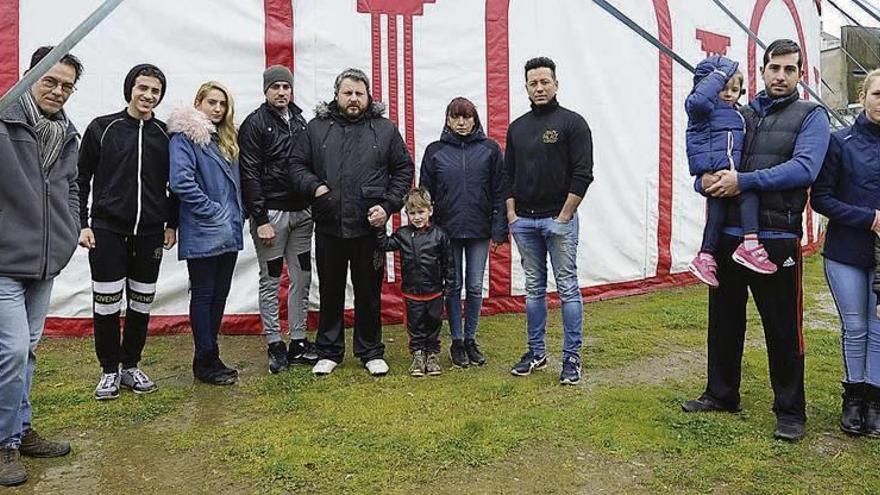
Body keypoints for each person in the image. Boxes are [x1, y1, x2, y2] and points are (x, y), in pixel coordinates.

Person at [682, 39, 831, 442]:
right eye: (774, 68)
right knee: (724, 322)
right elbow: (715, 156)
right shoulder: (738, 112)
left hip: (777, 237)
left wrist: (743, 181)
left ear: (801, 74)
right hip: (730, 236)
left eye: (790, 69)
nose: (780, 76)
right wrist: (704, 181)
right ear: (762, 70)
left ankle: (789, 410)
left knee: (783, 328)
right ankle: (721, 393)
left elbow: (804, 169)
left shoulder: (811, 116)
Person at [289, 68, 414, 376]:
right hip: (329, 225)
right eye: (348, 93)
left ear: (368, 96)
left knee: (369, 291)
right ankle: (329, 351)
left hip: (369, 228)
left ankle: (371, 351)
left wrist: (387, 206)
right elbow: (295, 165)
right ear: (337, 95)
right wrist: (316, 188)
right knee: (330, 290)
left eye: (359, 93)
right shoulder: (317, 128)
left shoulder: (384, 129)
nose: (354, 99)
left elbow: (403, 169)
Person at [0, 46, 81, 486]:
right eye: (50, 80)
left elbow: (70, 187)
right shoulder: (4, 122)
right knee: (11, 351)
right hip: (4, 262)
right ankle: (5, 443)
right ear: (30, 76)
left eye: (67, 85)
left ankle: (22, 429)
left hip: (45, 261)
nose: (58, 90)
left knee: (27, 351)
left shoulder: (67, 133)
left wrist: (68, 232)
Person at [77, 64, 178, 400]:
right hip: (106, 230)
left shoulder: (166, 134)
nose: (148, 95)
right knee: (106, 304)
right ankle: (109, 370)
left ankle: (131, 365)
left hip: (150, 233)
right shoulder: (102, 128)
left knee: (141, 303)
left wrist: (172, 223)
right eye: (143, 88)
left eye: (155, 91)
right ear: (130, 89)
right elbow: (80, 180)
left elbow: (176, 184)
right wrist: (82, 224)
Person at [504, 57, 594, 385]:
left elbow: (583, 174)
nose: (539, 88)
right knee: (533, 290)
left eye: (545, 82)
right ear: (526, 86)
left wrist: (565, 215)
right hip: (525, 224)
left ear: (556, 83)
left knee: (568, 288)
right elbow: (507, 175)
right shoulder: (517, 127)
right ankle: (536, 353)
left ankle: (571, 358)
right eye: (533, 83)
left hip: (559, 222)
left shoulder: (573, 123)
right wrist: (512, 215)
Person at [812, 68, 880, 437]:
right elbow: (821, 198)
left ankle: (874, 400)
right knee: (855, 327)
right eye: (878, 94)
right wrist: (868, 218)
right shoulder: (841, 141)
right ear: (864, 96)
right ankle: (853, 397)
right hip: (846, 251)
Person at [239, 65, 317, 374]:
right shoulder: (254, 124)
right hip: (272, 213)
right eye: (275, 87)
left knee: (302, 276)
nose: (281, 92)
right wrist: (260, 217)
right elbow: (250, 173)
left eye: (286, 86)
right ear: (266, 90)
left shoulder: (300, 120)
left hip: (302, 212)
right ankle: (274, 342)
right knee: (271, 279)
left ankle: (298, 339)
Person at [420, 97, 507, 368]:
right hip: (447, 232)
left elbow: (500, 192)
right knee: (453, 287)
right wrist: (428, 231)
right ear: (447, 119)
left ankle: (471, 339)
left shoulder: (490, 150)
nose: (461, 122)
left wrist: (499, 231)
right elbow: (425, 193)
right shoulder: (435, 151)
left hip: (480, 230)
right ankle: (456, 342)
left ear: (475, 119)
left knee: (475, 286)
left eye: (466, 117)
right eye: (455, 117)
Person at [168, 81, 244, 386]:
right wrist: (211, 209)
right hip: (204, 227)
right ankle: (204, 358)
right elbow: (181, 181)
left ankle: (211, 354)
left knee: (220, 294)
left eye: (222, 104)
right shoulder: (185, 138)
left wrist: (238, 212)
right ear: (198, 102)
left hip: (229, 229)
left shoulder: (225, 138)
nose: (217, 108)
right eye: (212, 102)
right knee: (203, 294)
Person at [685, 56, 776, 288]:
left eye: (734, 90)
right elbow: (698, 100)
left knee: (716, 214)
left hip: (726, 171)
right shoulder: (702, 110)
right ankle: (750, 244)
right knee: (748, 192)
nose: (728, 94)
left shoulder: (736, 113)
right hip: (716, 169)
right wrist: (721, 72)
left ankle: (705, 255)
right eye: (723, 88)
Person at [376, 188, 454, 376]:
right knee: (415, 325)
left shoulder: (440, 235)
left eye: (421, 212)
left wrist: (450, 286)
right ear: (407, 214)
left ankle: (433, 355)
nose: (417, 217)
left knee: (434, 323)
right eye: (412, 213)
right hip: (411, 293)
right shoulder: (402, 234)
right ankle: (418, 355)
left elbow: (449, 263)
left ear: (430, 211)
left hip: (434, 291)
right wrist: (379, 226)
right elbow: (385, 244)